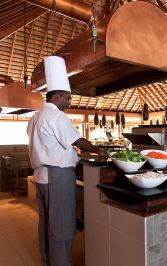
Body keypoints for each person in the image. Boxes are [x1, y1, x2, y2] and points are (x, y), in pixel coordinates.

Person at [27, 56, 108, 266]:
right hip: (58, 177)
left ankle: (48, 262)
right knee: (61, 226)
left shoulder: (36, 117)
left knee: (46, 224)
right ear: (57, 97)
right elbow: (79, 140)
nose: (69, 102)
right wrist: (100, 151)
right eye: (68, 98)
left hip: (41, 176)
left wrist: (74, 155)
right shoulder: (57, 117)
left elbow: (51, 146)